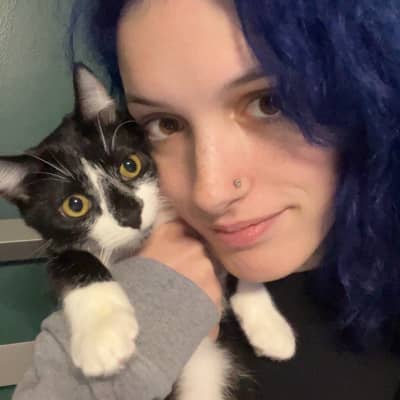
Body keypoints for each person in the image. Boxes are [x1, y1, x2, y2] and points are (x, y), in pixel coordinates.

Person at [13, 0, 400, 399]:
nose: (209, 193)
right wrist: (151, 307)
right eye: (165, 124)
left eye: (270, 102)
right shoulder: (138, 276)